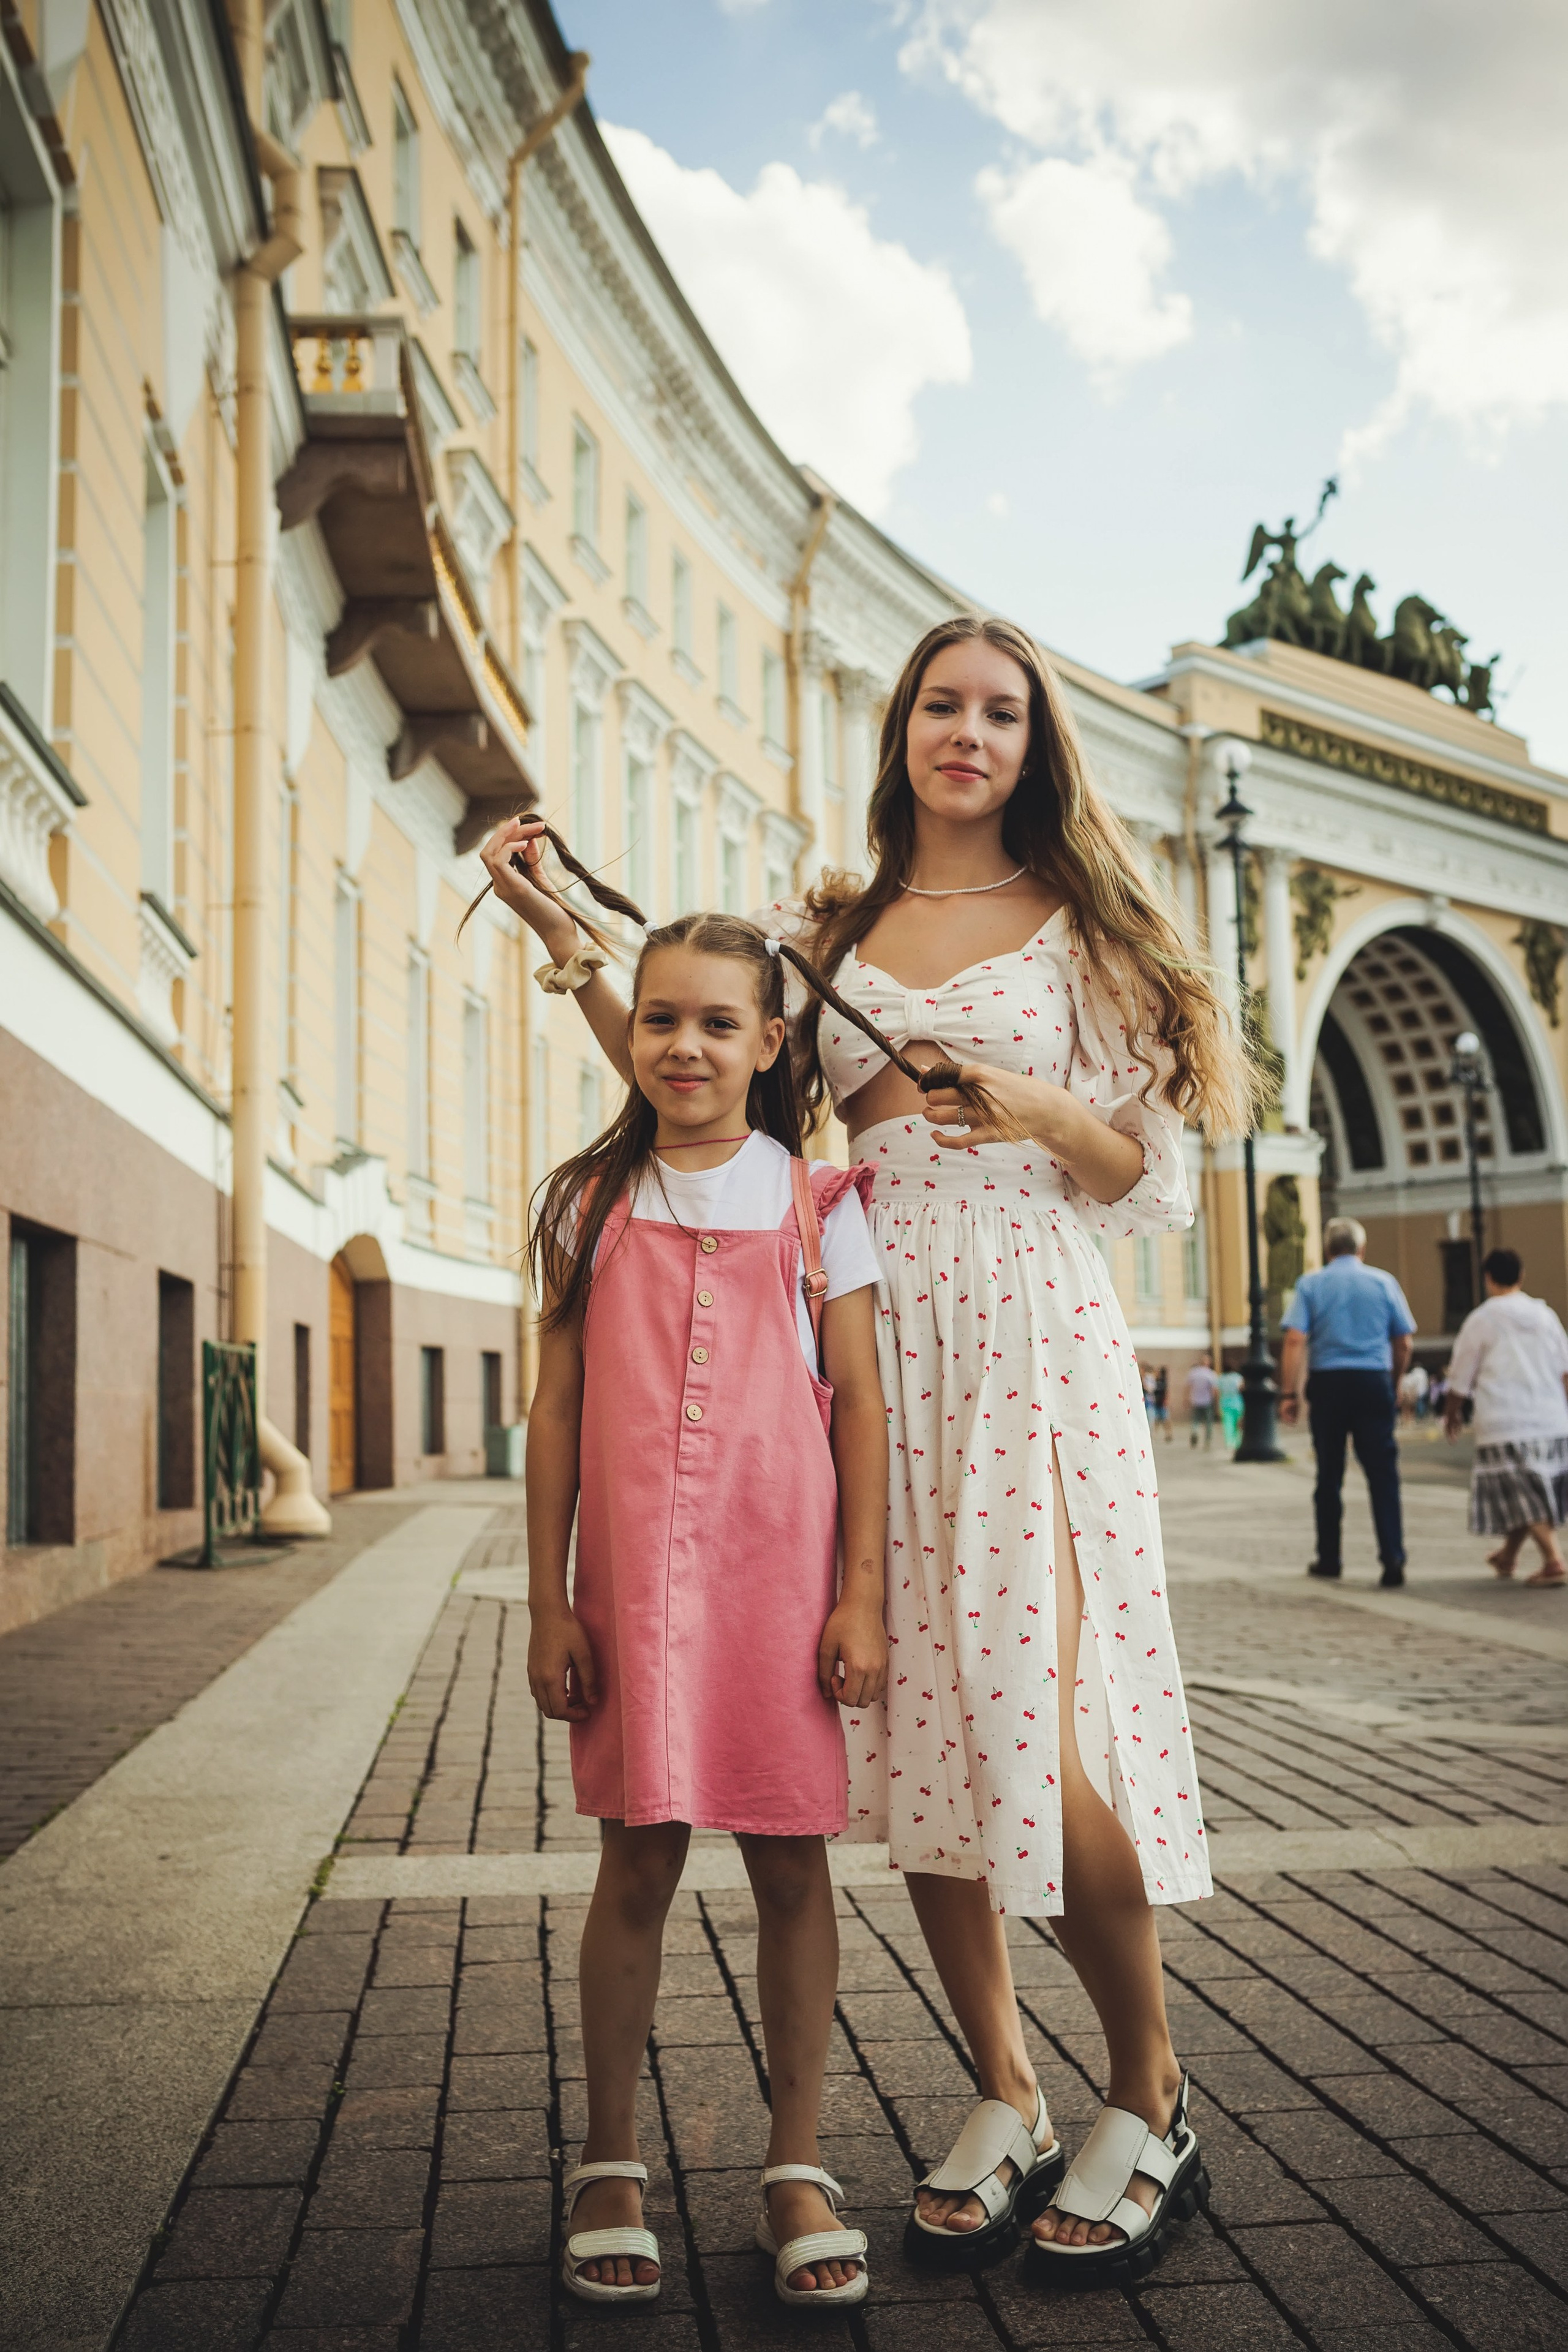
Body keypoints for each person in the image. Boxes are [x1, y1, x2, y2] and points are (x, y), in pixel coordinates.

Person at [483, 614, 1255, 2288]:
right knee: (911, 1744)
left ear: (1035, 740)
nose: (963, 731)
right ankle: (1003, 2083)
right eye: (937, 704)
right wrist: (561, 936)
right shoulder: (825, 928)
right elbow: (705, 1069)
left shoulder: (1084, 924)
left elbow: (1144, 1167)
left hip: (1024, 1336)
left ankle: (1152, 2085)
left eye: (998, 709)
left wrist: (1025, 1105)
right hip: (860, 1344)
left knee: (1028, 1730)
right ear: (899, 726)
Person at [523, 912, 890, 2307]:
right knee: (634, 1866)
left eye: (716, 1021)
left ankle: (795, 2158)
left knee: (793, 1870)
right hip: (633, 1597)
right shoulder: (582, 1200)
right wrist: (550, 1600)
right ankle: (607, 2155)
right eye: (659, 1017)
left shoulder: (815, 1203)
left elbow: (855, 1402)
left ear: (769, 1042)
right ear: (629, 1031)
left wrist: (858, 1592)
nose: (684, 1043)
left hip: (781, 1586)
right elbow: (554, 1407)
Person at [1278, 1218, 1415, 1588]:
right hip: (1373, 1382)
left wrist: (1288, 1393)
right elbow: (1404, 1342)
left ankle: (1329, 1559)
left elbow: (1294, 1340)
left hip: (1329, 1385)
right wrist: (1394, 1381)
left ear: (1327, 1250)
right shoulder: (1384, 1282)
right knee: (1383, 1475)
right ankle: (1392, 1560)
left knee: (1329, 1476)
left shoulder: (1311, 1284)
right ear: (1362, 1249)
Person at [1444, 1246, 1568, 1587]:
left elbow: (1461, 1376)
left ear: (1488, 1279)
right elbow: (1566, 1370)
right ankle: (1508, 1556)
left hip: (1505, 1419)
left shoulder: (1482, 1319)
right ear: (1522, 1276)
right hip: (1551, 1417)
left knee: (1523, 1491)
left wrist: (1452, 1414)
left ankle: (1554, 1561)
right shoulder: (1545, 1316)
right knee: (1526, 1490)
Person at [1185, 1355, 1219, 1447]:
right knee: (1208, 1422)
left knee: (1196, 1420)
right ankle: (1207, 1441)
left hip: (1195, 1400)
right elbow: (1214, 1389)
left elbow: (1188, 1387)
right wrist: (1216, 1401)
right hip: (1207, 1401)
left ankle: (1195, 1432)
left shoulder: (1193, 1373)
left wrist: (1187, 1398)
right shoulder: (1211, 1374)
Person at [1218, 1365, 1243, 1452]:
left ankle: (1229, 1443)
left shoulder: (1221, 1378)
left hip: (1225, 1403)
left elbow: (1218, 1390)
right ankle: (1238, 1442)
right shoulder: (1238, 1377)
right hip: (1238, 1403)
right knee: (1238, 1424)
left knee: (1228, 1424)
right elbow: (1241, 1388)